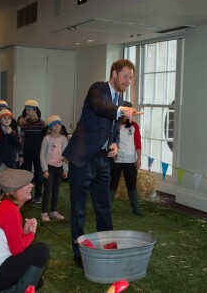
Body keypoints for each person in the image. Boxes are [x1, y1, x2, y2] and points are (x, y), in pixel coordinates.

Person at [63, 59, 140, 267]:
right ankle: (79, 255)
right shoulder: (98, 89)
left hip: (104, 160)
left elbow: (113, 127)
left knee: (104, 206)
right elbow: (100, 108)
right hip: (82, 158)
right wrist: (122, 111)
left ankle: (108, 251)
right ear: (114, 74)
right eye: (125, 76)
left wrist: (114, 143)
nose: (128, 81)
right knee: (78, 209)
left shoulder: (119, 99)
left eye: (131, 77)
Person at [0, 169, 50, 292]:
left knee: (37, 281)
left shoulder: (5, 205)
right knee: (42, 250)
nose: (31, 185)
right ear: (14, 191)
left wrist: (24, 232)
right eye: (26, 184)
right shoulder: (10, 210)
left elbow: (8, 242)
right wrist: (31, 234)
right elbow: (16, 249)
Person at [110, 115, 144, 216]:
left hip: (130, 160)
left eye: (130, 114)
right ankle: (107, 208)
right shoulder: (114, 125)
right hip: (116, 160)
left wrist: (139, 158)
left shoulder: (134, 126)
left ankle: (135, 208)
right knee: (112, 184)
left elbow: (138, 143)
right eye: (125, 114)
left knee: (131, 184)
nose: (128, 116)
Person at [0, 109, 22, 207]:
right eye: (4, 118)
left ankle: (9, 210)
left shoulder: (14, 131)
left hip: (11, 164)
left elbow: (18, 145)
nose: (7, 120)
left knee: (10, 190)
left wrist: (11, 133)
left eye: (9, 118)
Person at [40, 115, 68, 221]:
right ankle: (44, 212)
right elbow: (42, 155)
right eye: (54, 125)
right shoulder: (46, 139)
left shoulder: (64, 139)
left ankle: (53, 211)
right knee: (48, 190)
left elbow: (66, 155)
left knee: (56, 190)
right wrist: (45, 169)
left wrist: (65, 169)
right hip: (49, 167)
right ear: (50, 127)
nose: (57, 127)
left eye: (59, 124)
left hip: (59, 168)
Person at [19, 100, 45, 203]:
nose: (27, 112)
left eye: (29, 110)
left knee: (39, 175)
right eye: (26, 110)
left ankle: (38, 196)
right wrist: (21, 154)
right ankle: (27, 196)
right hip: (27, 153)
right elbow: (21, 140)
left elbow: (45, 141)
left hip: (39, 154)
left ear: (35, 110)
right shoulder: (24, 124)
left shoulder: (42, 124)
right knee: (27, 176)